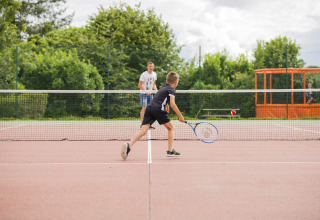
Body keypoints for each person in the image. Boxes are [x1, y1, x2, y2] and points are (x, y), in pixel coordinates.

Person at [121, 71, 185, 160]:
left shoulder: (163, 88)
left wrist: (166, 105)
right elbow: (173, 104)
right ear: (176, 82)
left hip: (149, 108)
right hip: (158, 110)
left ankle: (129, 145)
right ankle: (170, 151)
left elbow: (160, 98)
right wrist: (180, 116)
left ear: (167, 80)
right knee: (171, 128)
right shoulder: (172, 89)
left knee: (143, 131)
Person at [139, 62, 157, 129]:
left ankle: (149, 123)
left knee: (150, 109)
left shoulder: (155, 74)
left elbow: (154, 84)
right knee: (144, 108)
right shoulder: (143, 74)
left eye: (152, 66)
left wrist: (155, 90)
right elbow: (139, 85)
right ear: (147, 67)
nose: (151, 68)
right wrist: (146, 91)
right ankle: (142, 123)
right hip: (143, 93)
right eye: (150, 66)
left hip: (150, 93)